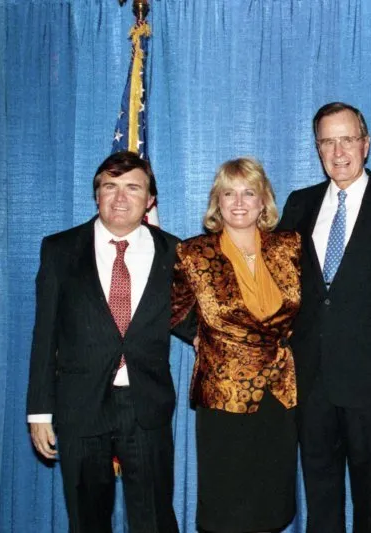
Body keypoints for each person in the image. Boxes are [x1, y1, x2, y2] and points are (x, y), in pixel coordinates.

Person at [277, 102, 371, 533]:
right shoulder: (300, 204)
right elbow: (278, 286)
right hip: (310, 379)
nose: (338, 151)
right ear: (317, 148)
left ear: (366, 144)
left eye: (347, 140)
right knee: (320, 499)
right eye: (327, 142)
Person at [26, 151, 181, 532]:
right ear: (97, 195)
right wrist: (39, 412)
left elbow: (197, 322)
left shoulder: (177, 253)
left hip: (146, 405)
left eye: (133, 188)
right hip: (80, 406)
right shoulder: (60, 250)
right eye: (110, 187)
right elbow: (44, 335)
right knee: (86, 520)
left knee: (155, 520)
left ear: (150, 200)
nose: (120, 197)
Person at [171, 157, 301, 533]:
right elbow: (171, 308)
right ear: (218, 202)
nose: (239, 202)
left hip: (278, 393)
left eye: (249, 193)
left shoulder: (289, 246)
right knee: (228, 504)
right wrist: (198, 334)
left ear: (264, 201)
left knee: (270, 503)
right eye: (229, 194)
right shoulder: (193, 254)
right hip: (224, 394)